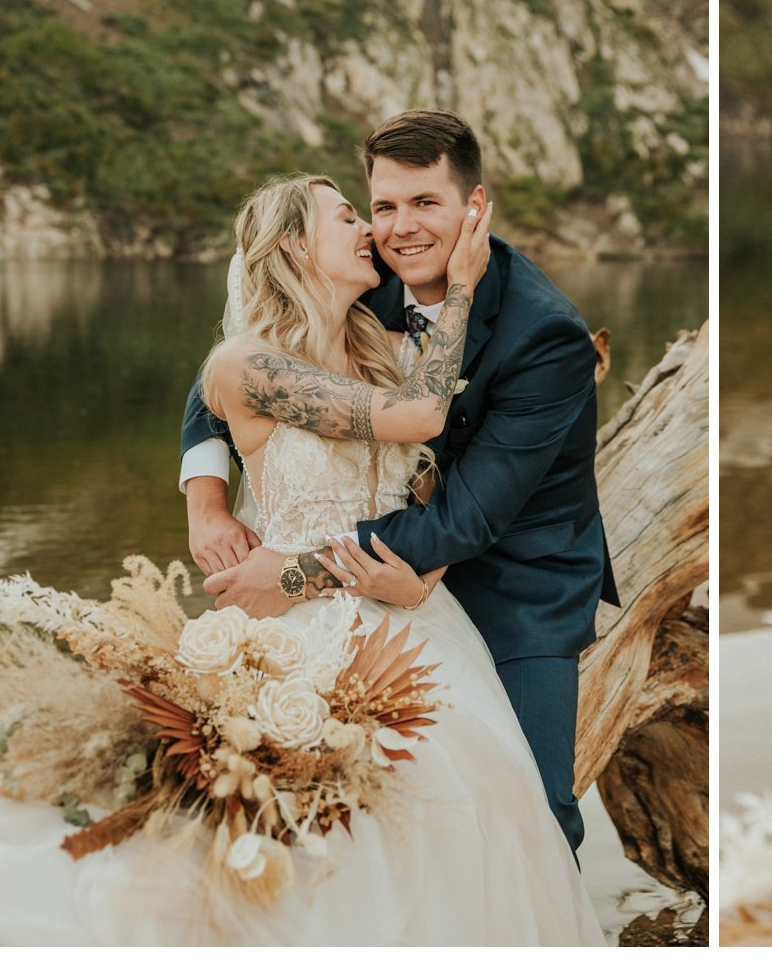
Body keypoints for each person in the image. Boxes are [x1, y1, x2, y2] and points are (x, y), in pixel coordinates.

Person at [0, 174, 602, 945]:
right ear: (299, 245)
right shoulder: (254, 362)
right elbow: (238, 399)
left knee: (504, 803)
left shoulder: (398, 339)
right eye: (358, 215)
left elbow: (439, 489)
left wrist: (421, 576)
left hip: (434, 605)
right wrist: (206, 501)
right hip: (289, 619)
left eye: (416, 208)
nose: (376, 232)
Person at [181, 110, 617, 855]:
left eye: (426, 204)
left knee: (532, 813)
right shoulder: (362, 281)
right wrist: (208, 502)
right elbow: (227, 380)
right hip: (377, 573)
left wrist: (292, 576)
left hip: (514, 577)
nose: (398, 228)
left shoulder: (544, 336)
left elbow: (465, 519)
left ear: (474, 209)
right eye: (382, 206)